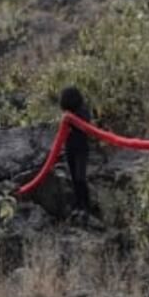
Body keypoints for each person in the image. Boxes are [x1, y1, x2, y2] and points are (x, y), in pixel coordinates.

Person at [60, 86, 92, 215]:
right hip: (70, 147)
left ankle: (85, 205)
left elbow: (85, 124)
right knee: (73, 177)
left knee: (80, 176)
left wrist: (71, 119)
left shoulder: (83, 110)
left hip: (81, 148)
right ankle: (78, 204)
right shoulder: (67, 114)